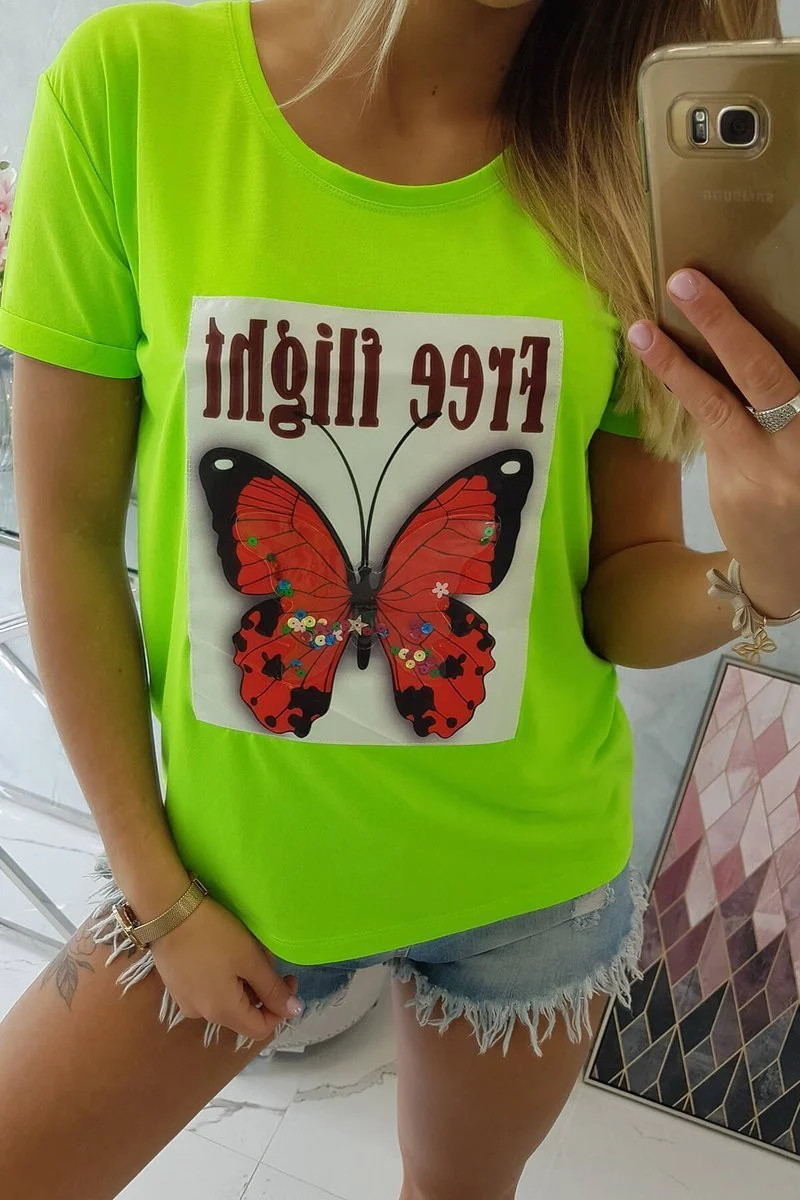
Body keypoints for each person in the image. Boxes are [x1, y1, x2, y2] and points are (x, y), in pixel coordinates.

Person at [0, 0, 796, 1197]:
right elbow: (63, 537)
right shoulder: (134, 86)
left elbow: (616, 591)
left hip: (531, 896)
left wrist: (764, 577)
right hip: (227, 880)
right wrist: (158, 897)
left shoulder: (617, 165)